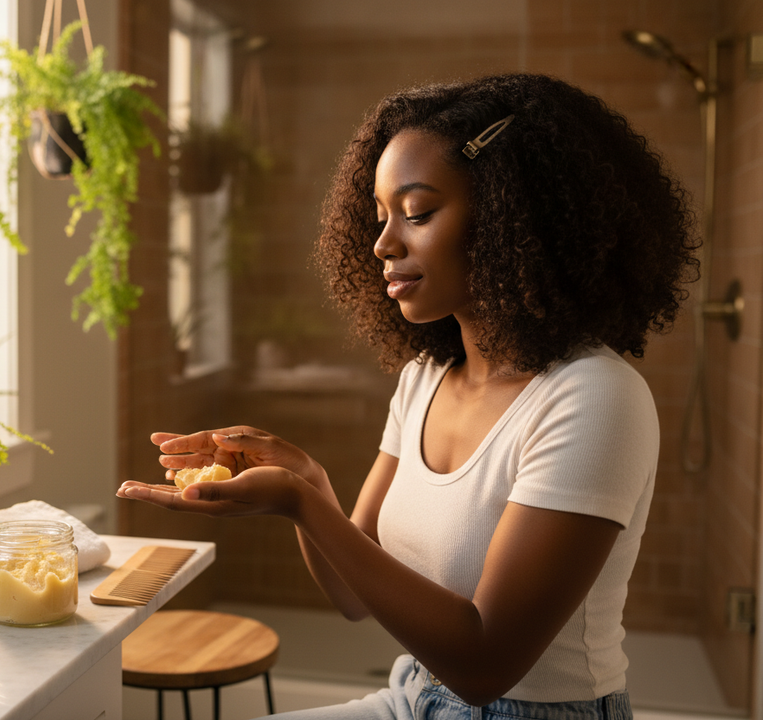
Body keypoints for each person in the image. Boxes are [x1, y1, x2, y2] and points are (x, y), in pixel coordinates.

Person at [117, 73, 699, 719]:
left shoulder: (593, 397)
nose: (383, 244)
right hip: (413, 695)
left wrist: (302, 506)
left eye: (417, 213)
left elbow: (485, 666)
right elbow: (351, 593)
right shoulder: (426, 375)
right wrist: (306, 480)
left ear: (515, 215)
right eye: (380, 216)